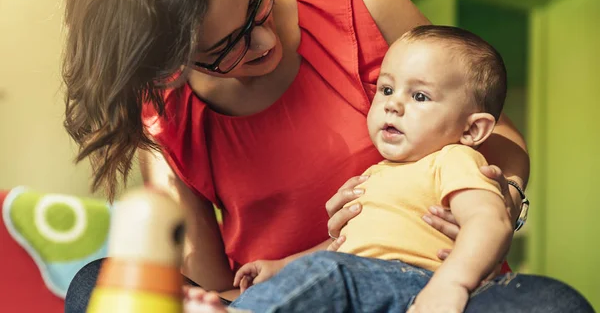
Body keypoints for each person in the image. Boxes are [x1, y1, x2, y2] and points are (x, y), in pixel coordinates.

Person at [60, 0, 586, 312]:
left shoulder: (360, 6)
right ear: (170, 66)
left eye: (254, 1)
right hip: (290, 297)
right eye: (226, 49)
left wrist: (488, 211)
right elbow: (217, 283)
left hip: (433, 287)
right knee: (96, 283)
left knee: (551, 304)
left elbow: (488, 128)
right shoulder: (167, 117)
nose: (265, 40)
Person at [183, 26, 593, 312]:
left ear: (472, 130)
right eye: (386, 88)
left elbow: (490, 224)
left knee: (328, 274)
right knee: (323, 270)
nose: (393, 104)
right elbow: (345, 244)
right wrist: (280, 267)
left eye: (419, 95)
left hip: (415, 285)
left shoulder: (454, 161)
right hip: (358, 284)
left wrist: (452, 284)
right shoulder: (377, 175)